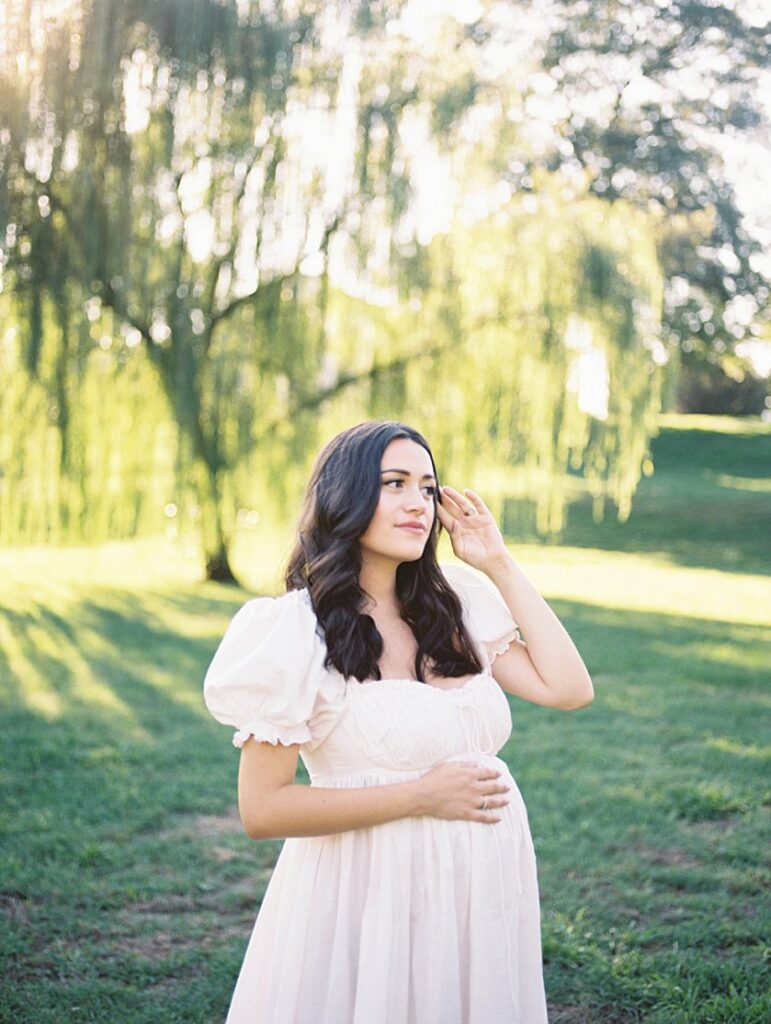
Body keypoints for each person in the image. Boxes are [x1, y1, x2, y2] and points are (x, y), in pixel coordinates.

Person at [203, 420, 594, 1024]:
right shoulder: (292, 630)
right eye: (395, 484)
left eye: (429, 488)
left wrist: (500, 564)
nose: (419, 502)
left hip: (478, 887)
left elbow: (569, 689)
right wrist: (419, 796)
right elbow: (262, 810)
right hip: (367, 888)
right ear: (346, 497)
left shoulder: (454, 605)